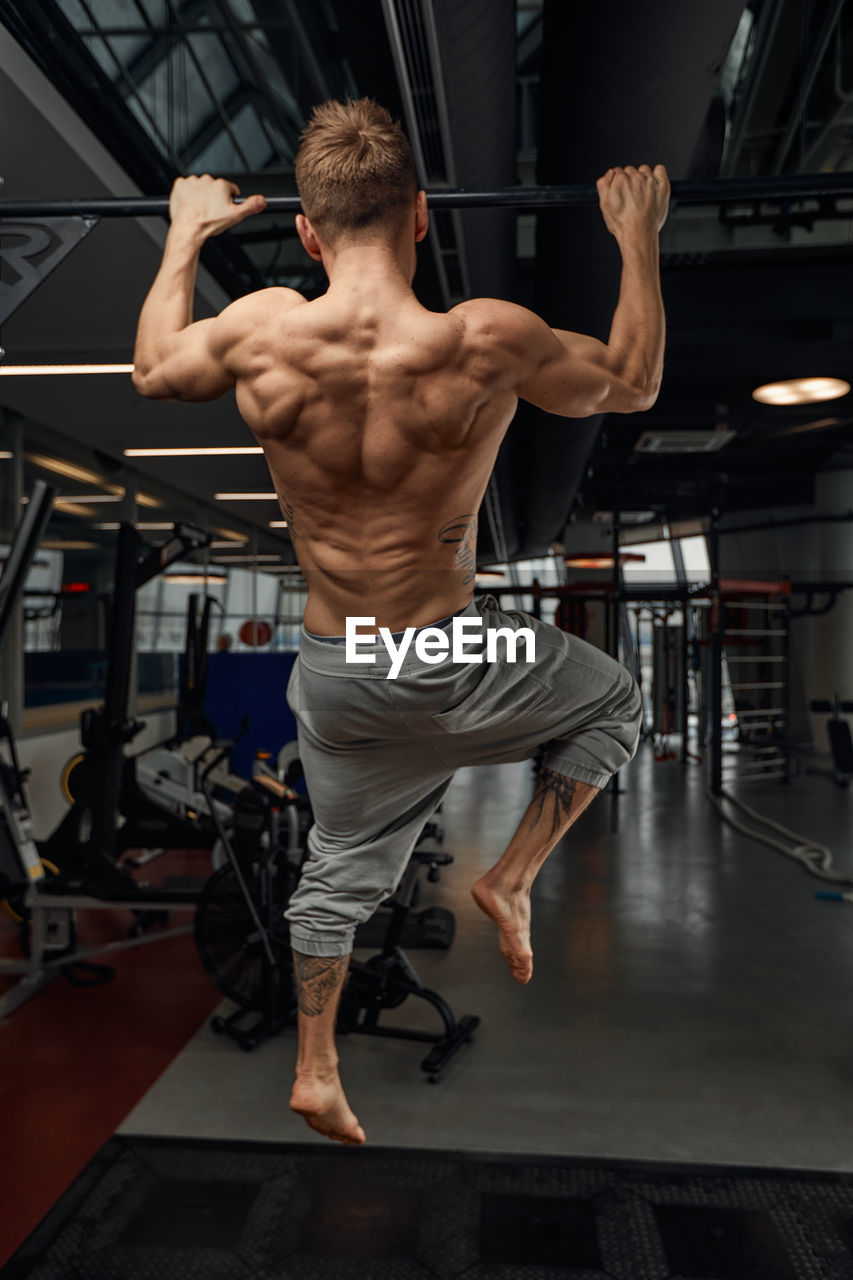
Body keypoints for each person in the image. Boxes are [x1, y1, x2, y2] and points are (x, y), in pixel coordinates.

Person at [132, 98, 668, 1148]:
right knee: (613, 695)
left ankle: (318, 1067)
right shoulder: (484, 339)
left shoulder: (262, 331)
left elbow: (155, 368)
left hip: (337, 666)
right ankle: (510, 876)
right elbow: (633, 378)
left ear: (307, 231)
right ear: (422, 216)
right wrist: (635, 240)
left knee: (339, 863)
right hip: (448, 650)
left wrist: (185, 234)